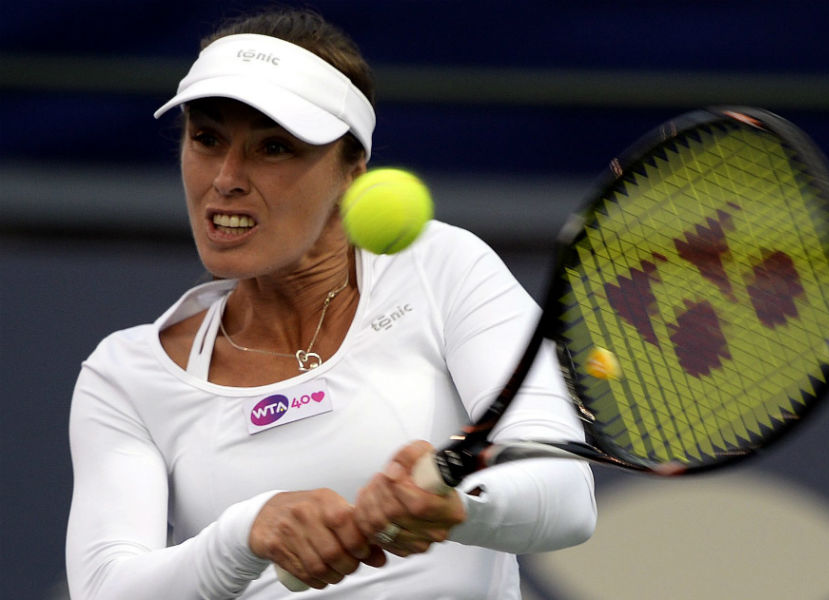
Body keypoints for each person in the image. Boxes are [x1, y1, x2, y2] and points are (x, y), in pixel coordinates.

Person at [65, 8, 597, 599]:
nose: (227, 178)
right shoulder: (125, 375)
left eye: (273, 148)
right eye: (207, 139)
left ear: (351, 174)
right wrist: (244, 534)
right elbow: (105, 589)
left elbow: (565, 495)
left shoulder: (442, 266)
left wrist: (460, 506)